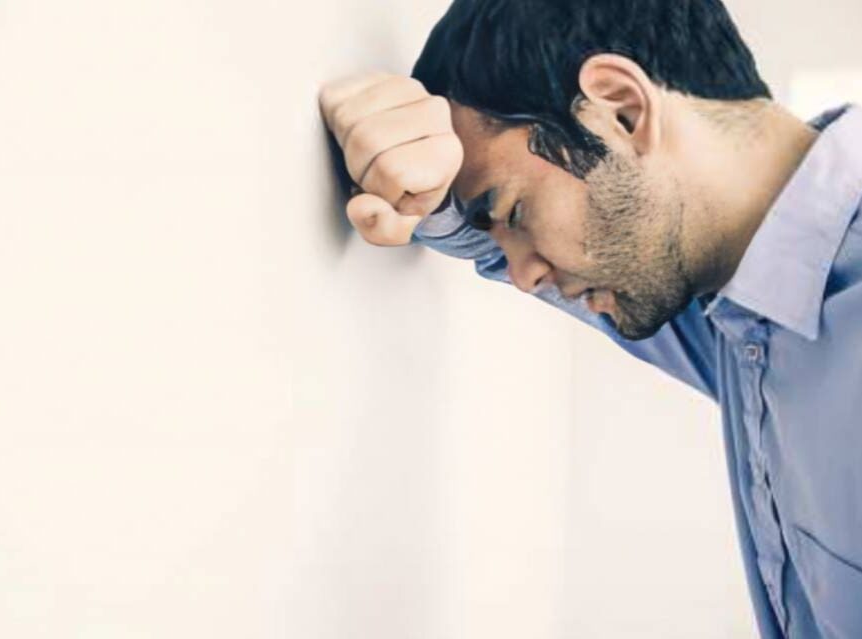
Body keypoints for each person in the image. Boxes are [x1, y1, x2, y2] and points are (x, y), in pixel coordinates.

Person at [317, 0, 862, 636]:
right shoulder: (742, 305)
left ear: (622, 110)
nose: (523, 276)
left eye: (514, 213)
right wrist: (418, 181)